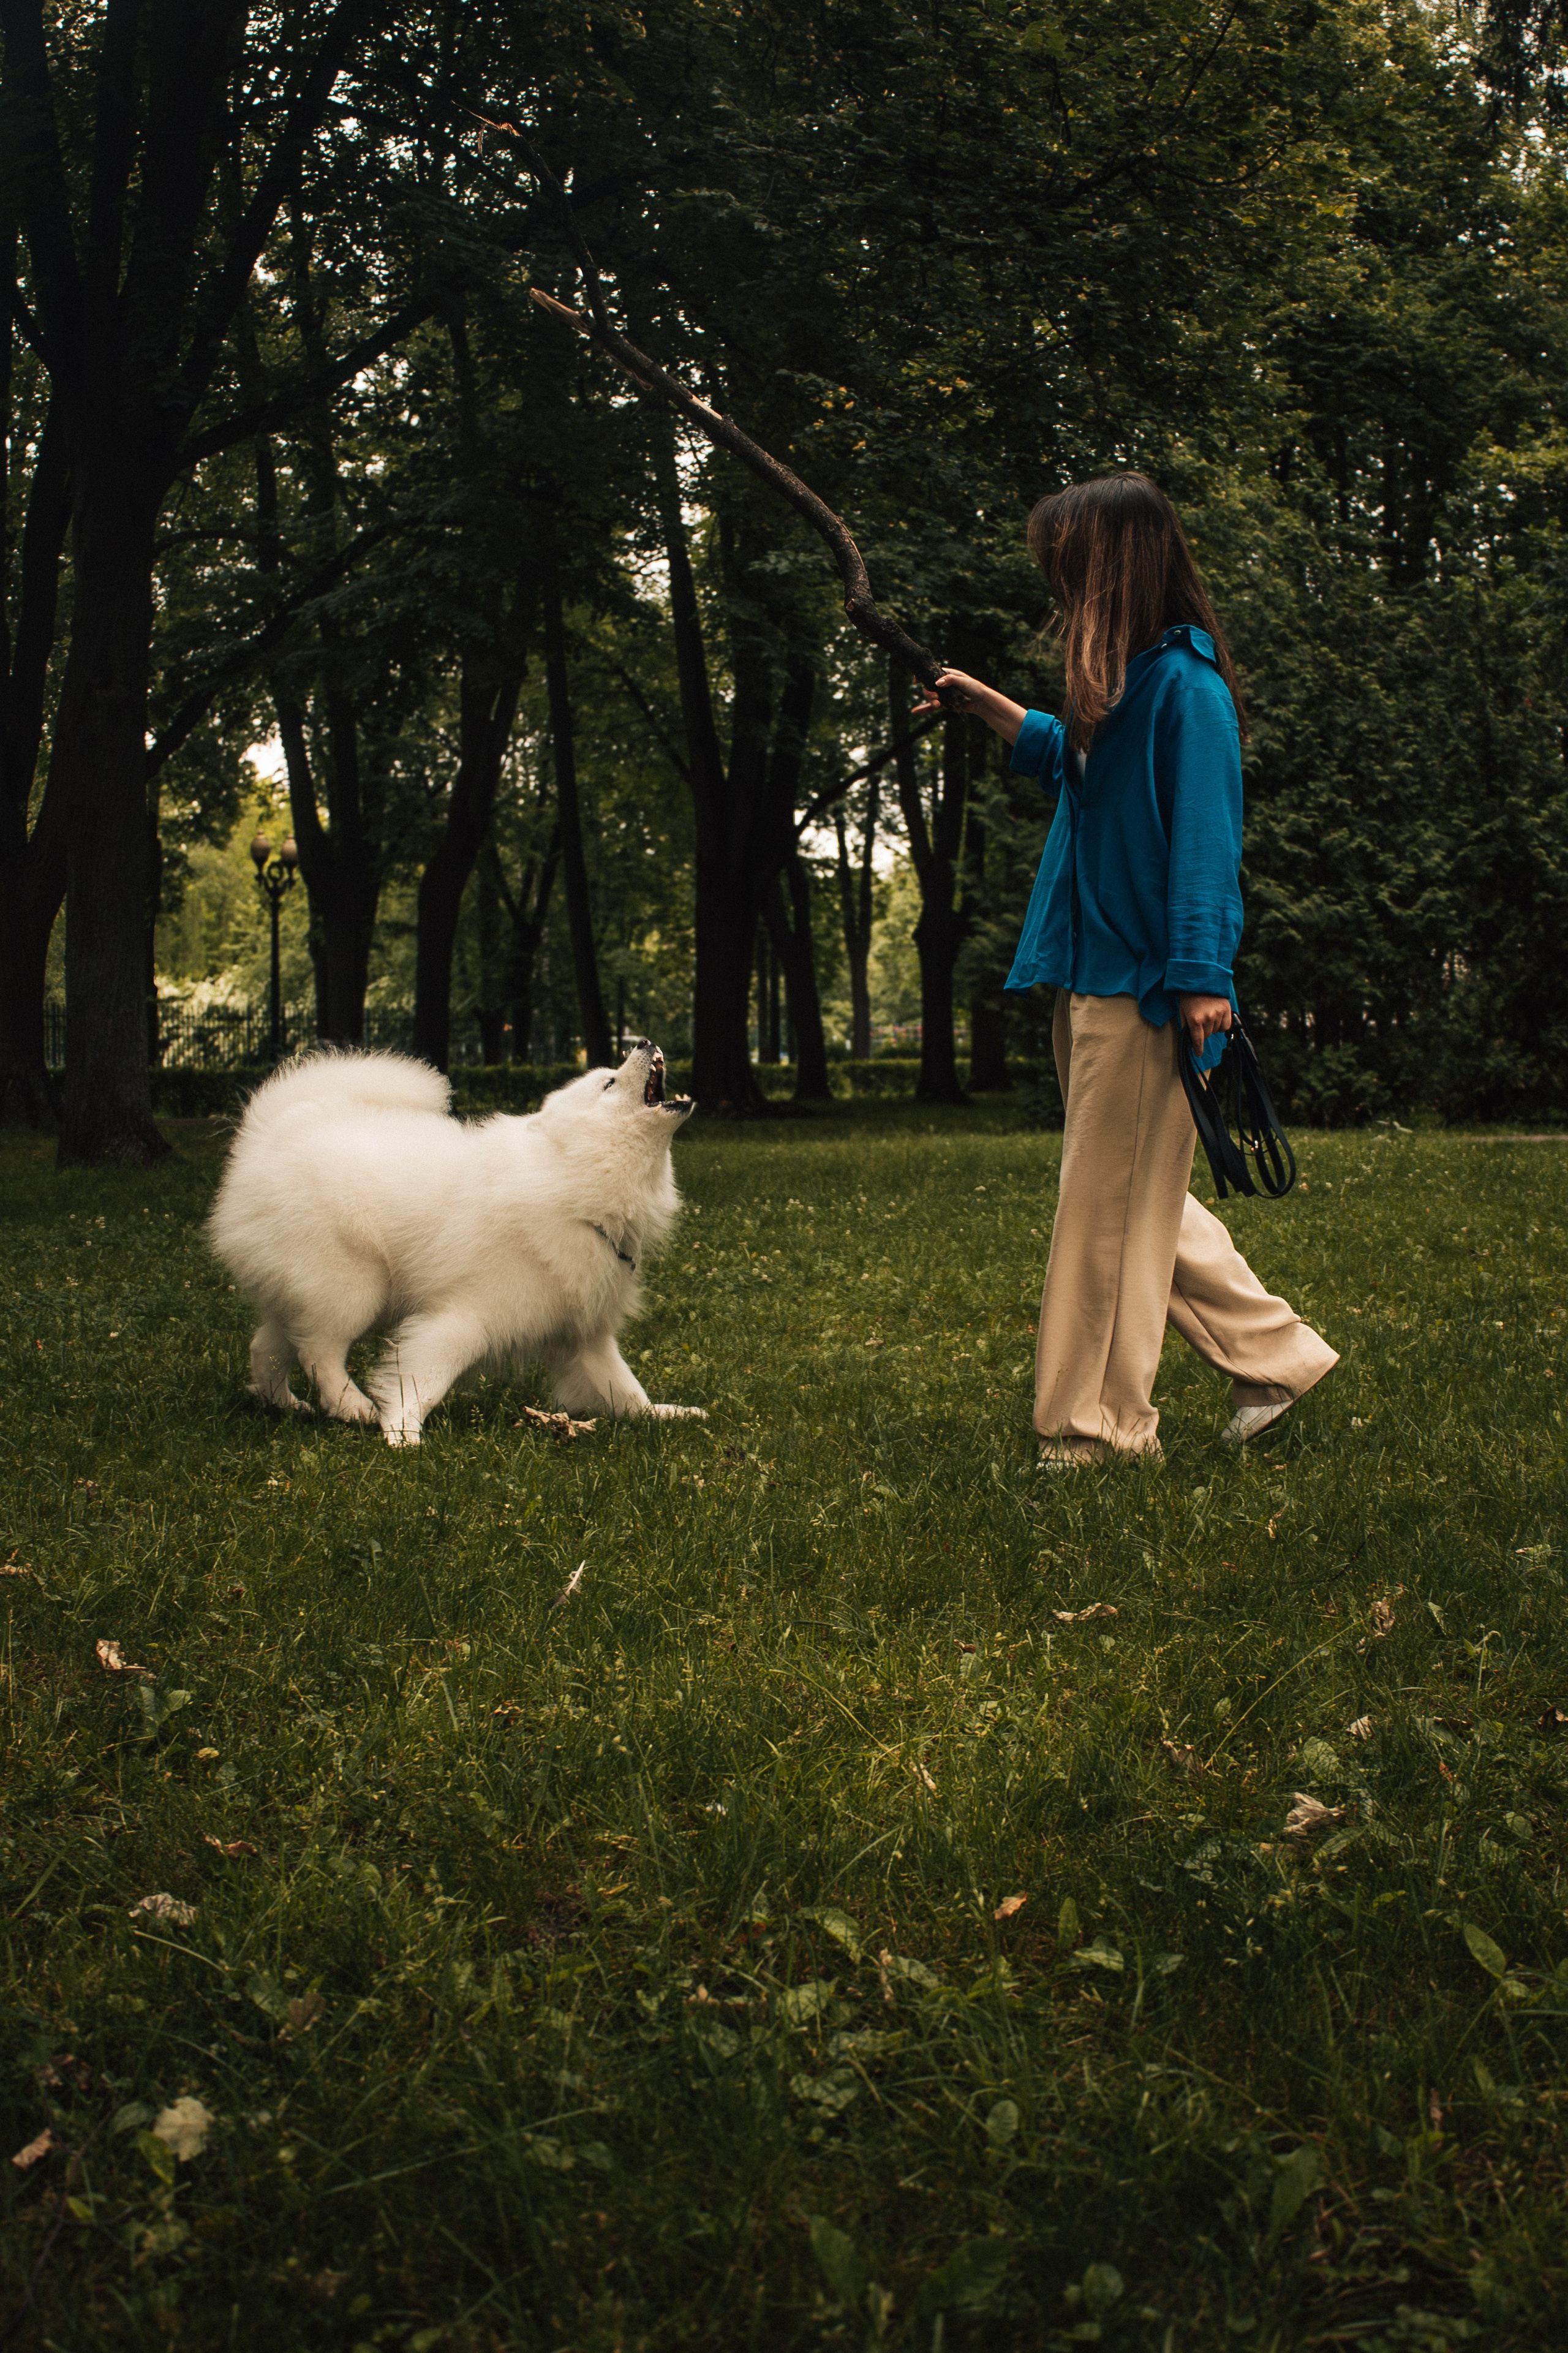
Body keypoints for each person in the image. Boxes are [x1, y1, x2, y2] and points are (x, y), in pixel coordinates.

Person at [916, 473, 1336, 1462]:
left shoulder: (1188, 691)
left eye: (1069, 570)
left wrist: (1200, 977)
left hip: (1149, 986)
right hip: (1091, 973)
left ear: (1117, 570)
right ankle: (1276, 1362)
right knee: (1134, 1191)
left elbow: (1204, 843)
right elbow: (1080, 758)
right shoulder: (1132, 685)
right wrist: (990, 708)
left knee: (1105, 1206)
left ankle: (1098, 1431)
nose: (1058, 590)